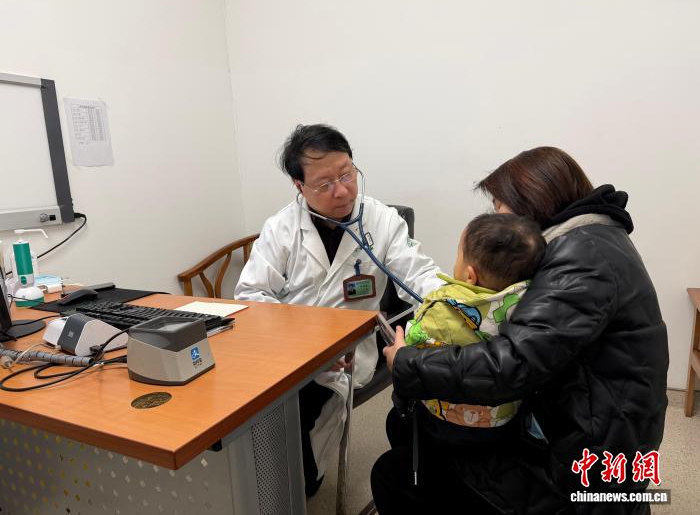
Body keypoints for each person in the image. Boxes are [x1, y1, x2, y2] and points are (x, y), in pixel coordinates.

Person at [372, 146, 668, 514]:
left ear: (532, 202)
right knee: (409, 423)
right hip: (580, 424)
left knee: (392, 473)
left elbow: (511, 364)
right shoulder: (588, 239)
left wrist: (407, 362)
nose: (497, 218)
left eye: (499, 206)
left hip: (581, 466)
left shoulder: (582, 259)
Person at [234, 124, 441, 496]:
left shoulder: (381, 220)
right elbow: (251, 295)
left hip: (347, 355)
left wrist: (456, 303)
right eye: (325, 184)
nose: (342, 190)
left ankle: (297, 484)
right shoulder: (281, 228)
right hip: (289, 349)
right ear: (299, 186)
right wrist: (302, 342)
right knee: (244, 404)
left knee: (294, 412)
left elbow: (419, 274)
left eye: (346, 174)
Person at [404, 212, 545, 442]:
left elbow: (415, 340)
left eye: (459, 254)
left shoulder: (444, 306)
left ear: (470, 276)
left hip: (449, 416)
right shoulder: (530, 302)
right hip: (504, 416)